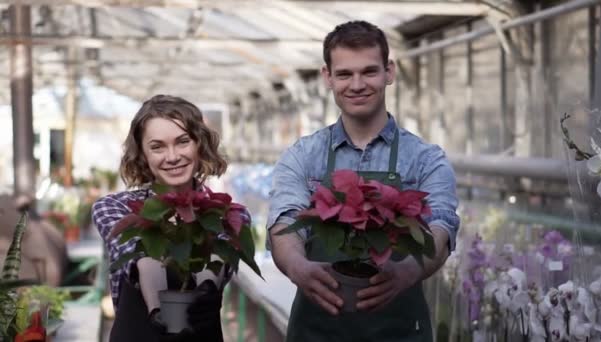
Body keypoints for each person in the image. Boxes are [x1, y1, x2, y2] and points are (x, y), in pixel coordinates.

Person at [267, 21, 460, 341]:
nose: (356, 84)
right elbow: (285, 220)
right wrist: (298, 267)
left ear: (390, 72)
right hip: (318, 330)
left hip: (398, 331)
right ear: (327, 77)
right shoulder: (303, 155)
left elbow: (441, 224)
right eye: (344, 74)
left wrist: (408, 270)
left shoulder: (425, 159)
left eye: (369, 72)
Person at [92, 95, 230, 342]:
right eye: (157, 147)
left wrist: (207, 289)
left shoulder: (224, 212)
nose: (172, 156)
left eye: (183, 142)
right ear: (143, 154)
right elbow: (141, 258)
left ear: (200, 144)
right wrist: (157, 308)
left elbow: (217, 258)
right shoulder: (114, 208)